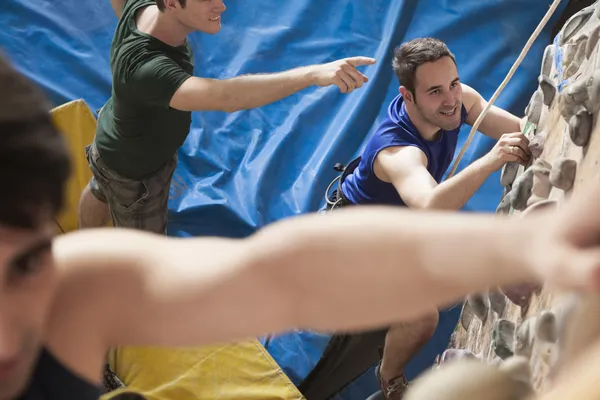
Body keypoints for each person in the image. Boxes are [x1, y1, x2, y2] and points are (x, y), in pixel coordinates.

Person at [3, 53, 600, 400]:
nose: (10, 338)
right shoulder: (398, 152)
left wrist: (527, 242)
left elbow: (278, 275)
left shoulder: (75, 288)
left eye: (26, 264)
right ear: (410, 96)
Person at [324, 37, 532, 399]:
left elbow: (520, 131)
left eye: (453, 83)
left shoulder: (457, 100)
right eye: (435, 91)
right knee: (422, 315)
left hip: (404, 224)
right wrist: (492, 159)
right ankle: (389, 377)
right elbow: (429, 206)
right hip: (358, 240)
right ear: (408, 96)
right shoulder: (397, 152)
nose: (451, 99)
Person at [77, 0, 376, 234]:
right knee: (142, 259)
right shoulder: (150, 71)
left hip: (112, 139)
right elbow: (227, 97)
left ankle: (81, 245)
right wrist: (312, 74)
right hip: (137, 172)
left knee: (101, 186)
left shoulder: (142, 7)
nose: (221, 6)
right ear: (170, 3)